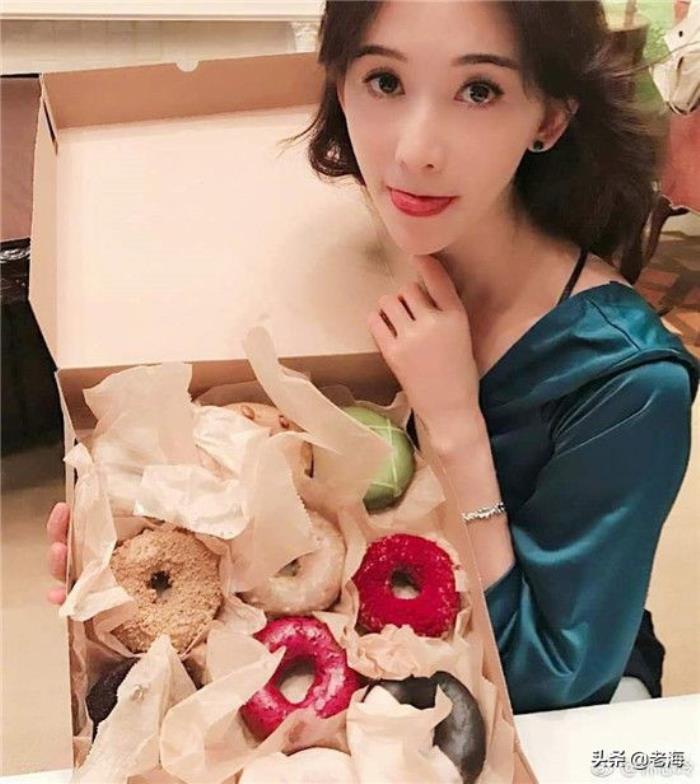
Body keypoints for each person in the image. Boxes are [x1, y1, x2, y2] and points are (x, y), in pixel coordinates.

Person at [47, 1, 699, 715]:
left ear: (549, 117)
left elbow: (550, 683)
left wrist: (456, 426)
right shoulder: (331, 254)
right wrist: (129, 542)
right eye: (385, 81)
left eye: (479, 90)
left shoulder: (625, 381)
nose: (415, 151)